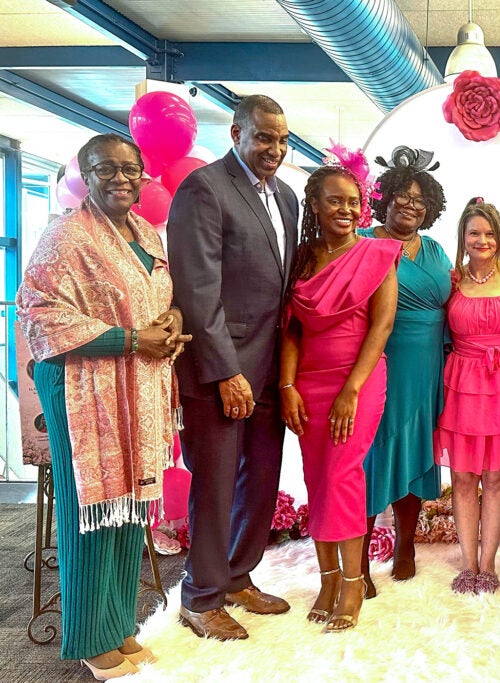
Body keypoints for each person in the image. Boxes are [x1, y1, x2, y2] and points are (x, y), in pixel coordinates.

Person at [17, 134, 188, 679]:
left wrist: (174, 322)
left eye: (130, 169)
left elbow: (161, 298)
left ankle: (118, 626)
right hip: (81, 388)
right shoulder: (65, 235)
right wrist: (134, 342)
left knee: (126, 511)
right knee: (89, 510)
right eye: (105, 169)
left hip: (133, 389)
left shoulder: (143, 231)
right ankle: (89, 638)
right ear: (84, 176)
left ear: (143, 176)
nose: (120, 178)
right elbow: (39, 314)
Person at [167, 95, 299, 640]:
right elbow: (197, 289)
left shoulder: (287, 197)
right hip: (223, 370)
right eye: (263, 137)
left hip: (270, 368)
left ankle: (238, 576)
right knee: (217, 484)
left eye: (282, 139)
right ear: (237, 133)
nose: (274, 148)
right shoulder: (204, 189)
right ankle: (200, 596)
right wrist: (226, 372)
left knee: (261, 480)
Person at [279, 147, 400, 631]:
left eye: (353, 201)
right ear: (314, 205)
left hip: (360, 378)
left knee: (342, 474)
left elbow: (383, 325)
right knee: (317, 476)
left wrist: (352, 389)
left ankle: (353, 582)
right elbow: (291, 329)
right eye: (335, 201)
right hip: (307, 381)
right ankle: (327, 578)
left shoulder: (376, 253)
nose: (347, 210)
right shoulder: (301, 258)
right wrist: (287, 386)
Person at [356, 146, 450, 596]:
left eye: (419, 199)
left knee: (416, 450)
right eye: (402, 196)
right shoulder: (361, 241)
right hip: (379, 360)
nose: (410, 205)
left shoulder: (434, 250)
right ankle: (358, 557)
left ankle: (406, 546)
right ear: (385, 197)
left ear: (429, 207)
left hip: (427, 366)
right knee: (372, 454)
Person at [435, 198, 500, 594]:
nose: (482, 240)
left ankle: (488, 563)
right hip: (461, 386)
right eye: (474, 233)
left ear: (499, 237)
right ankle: (467, 562)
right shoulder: (451, 280)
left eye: (489, 233)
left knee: (496, 476)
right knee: (462, 475)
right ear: (463, 237)